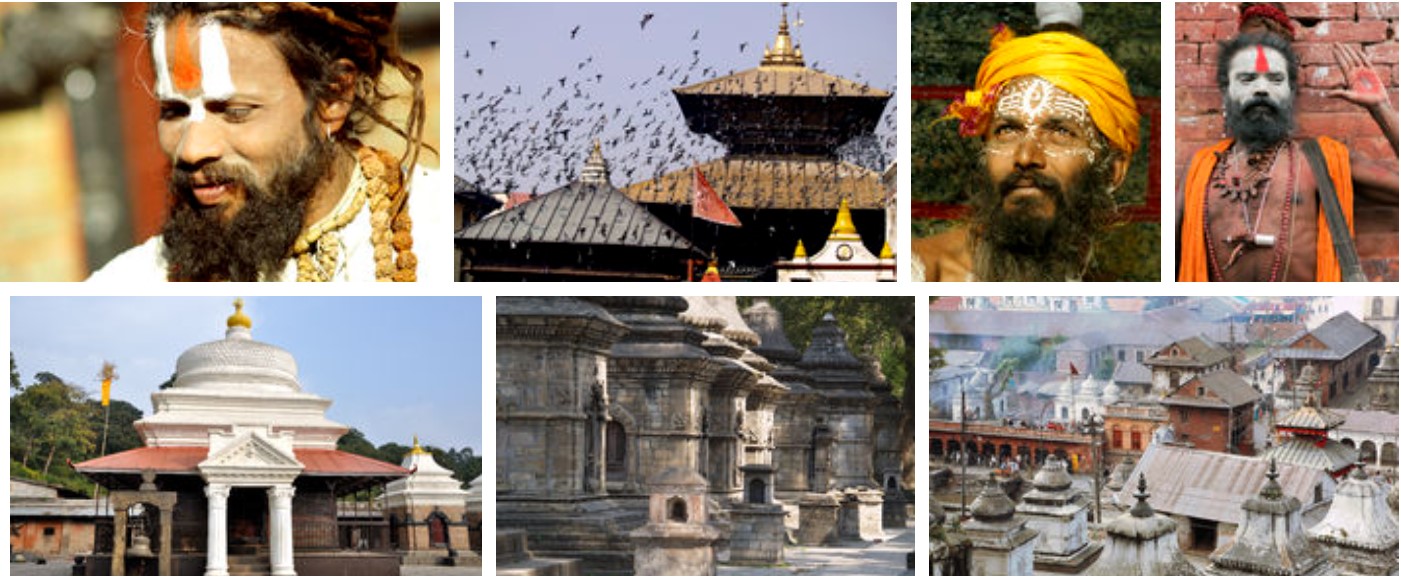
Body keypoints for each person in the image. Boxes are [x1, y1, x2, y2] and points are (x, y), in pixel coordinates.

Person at [89, 3, 442, 282]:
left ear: (333, 97)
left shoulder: (446, 232)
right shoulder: (129, 283)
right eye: (174, 111)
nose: (193, 149)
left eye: (236, 111)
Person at [1177, 5, 1398, 282]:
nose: (1261, 88)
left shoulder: (1321, 160)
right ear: (1227, 89)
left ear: (1290, 91)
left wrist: (1381, 109)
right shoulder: (1202, 170)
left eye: (1275, 79)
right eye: (1247, 78)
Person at [912, 26, 1141, 281]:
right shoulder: (920, 274)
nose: (1025, 156)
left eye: (1061, 132)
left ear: (1111, 172)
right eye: (1008, 130)